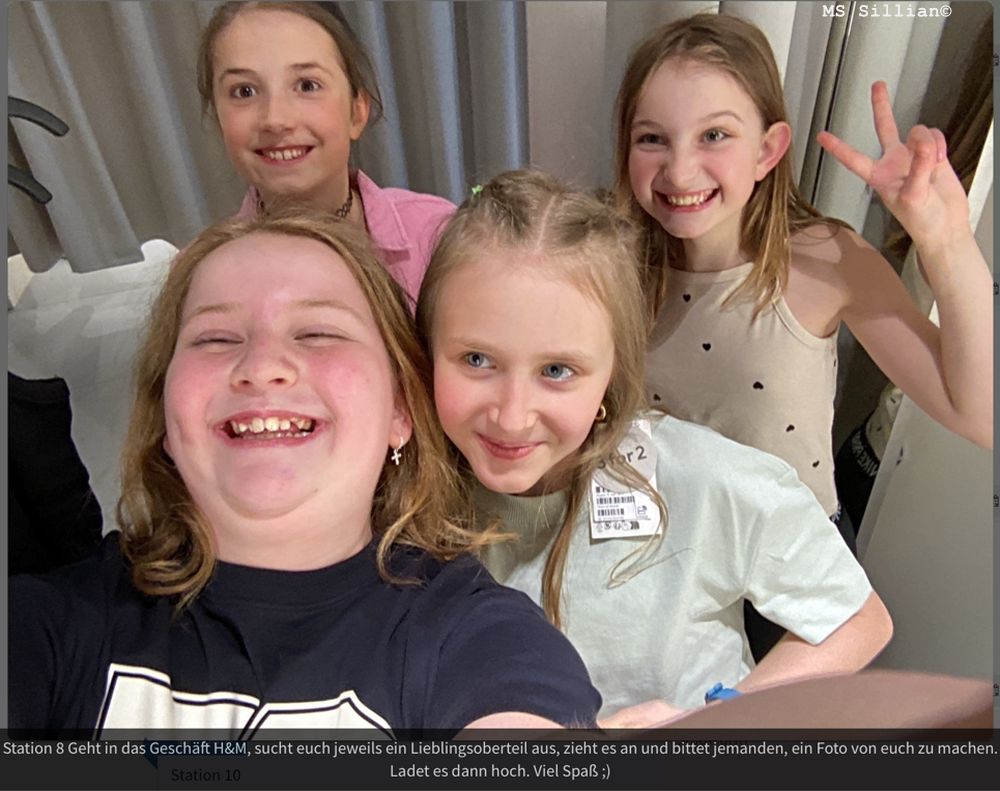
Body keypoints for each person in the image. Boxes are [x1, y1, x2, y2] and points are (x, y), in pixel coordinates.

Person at [9, 208, 601, 736]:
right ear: (165, 413)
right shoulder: (47, 626)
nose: (262, 365)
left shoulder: (477, 638)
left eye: (318, 333)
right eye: (215, 338)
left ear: (400, 410)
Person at [415, 170, 893, 726]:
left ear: (612, 371)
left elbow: (857, 617)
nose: (512, 415)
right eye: (477, 360)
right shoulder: (406, 503)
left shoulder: (701, 478)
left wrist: (722, 717)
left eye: (557, 370)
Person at [615, 13, 992, 529]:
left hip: (794, 559)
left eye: (714, 135)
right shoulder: (610, 263)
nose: (679, 171)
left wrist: (949, 243)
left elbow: (981, 416)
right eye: (652, 139)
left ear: (767, 150)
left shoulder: (829, 259)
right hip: (669, 549)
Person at [197, 1, 454, 306]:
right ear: (218, 119)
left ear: (357, 112)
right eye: (244, 91)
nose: (275, 119)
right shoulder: (200, 280)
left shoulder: (438, 236)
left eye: (307, 85)